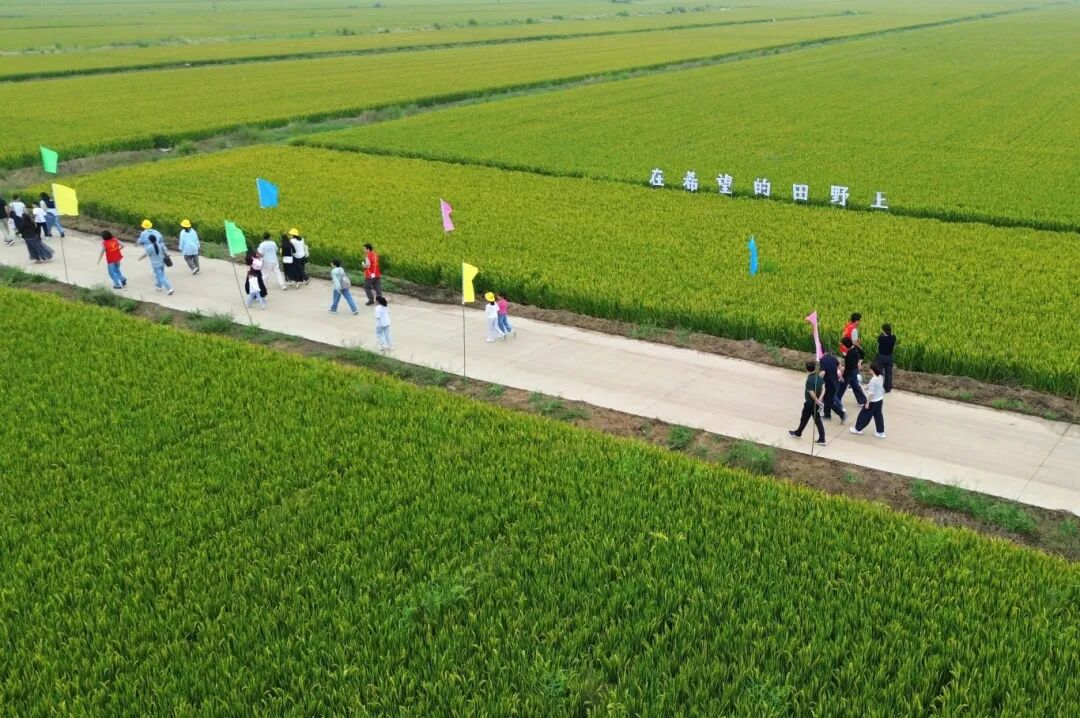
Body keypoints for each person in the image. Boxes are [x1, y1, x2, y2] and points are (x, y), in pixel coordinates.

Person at [789, 360, 826, 445]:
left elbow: (811, 393)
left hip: (810, 403)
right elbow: (824, 389)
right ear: (815, 368)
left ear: (807, 369)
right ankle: (822, 438)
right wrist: (820, 399)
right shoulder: (819, 378)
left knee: (804, 419)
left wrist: (817, 401)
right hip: (817, 403)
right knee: (817, 421)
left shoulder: (809, 380)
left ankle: (798, 433)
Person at [850, 362, 887, 438]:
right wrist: (869, 386)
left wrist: (867, 403)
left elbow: (871, 394)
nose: (869, 370)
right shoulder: (880, 376)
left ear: (872, 370)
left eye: (870, 369)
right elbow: (878, 386)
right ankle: (881, 432)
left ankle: (858, 429)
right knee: (878, 416)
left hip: (873, 401)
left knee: (864, 415)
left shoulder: (873, 380)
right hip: (880, 400)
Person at [835, 336, 866, 412]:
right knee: (855, 385)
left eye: (843, 344)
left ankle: (836, 401)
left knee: (842, 386)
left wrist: (842, 375)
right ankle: (862, 400)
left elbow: (848, 367)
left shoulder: (849, 354)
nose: (843, 346)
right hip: (855, 370)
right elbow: (863, 353)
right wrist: (859, 362)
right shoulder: (856, 348)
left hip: (849, 372)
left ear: (846, 345)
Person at [819, 349, 845, 422]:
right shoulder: (833, 357)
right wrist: (840, 376)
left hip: (829, 383)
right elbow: (840, 367)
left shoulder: (823, 360)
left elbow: (823, 372)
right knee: (826, 398)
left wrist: (817, 380)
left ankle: (842, 414)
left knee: (829, 401)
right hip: (835, 382)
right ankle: (827, 415)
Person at [877, 324, 897, 393]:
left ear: (883, 330)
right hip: (889, 357)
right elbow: (894, 346)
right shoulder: (893, 337)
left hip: (881, 356)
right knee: (889, 373)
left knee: (879, 372)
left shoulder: (881, 337)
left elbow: (878, 344)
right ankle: (888, 388)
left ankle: (878, 387)